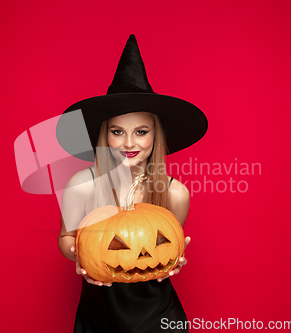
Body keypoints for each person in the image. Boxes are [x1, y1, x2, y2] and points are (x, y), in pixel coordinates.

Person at [56, 34, 208, 333]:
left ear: (155, 135)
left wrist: (174, 259)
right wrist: (79, 254)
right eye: (117, 131)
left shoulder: (175, 192)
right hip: (99, 314)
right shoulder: (81, 184)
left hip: (159, 316)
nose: (128, 143)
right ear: (105, 134)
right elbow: (65, 238)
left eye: (141, 131)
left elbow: (167, 247)